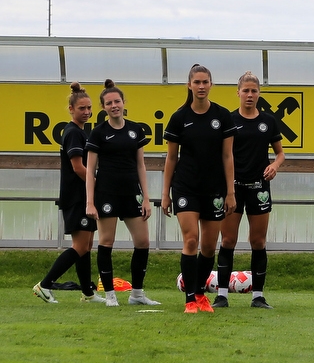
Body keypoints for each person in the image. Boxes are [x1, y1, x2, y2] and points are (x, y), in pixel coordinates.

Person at [161, 64, 237, 314]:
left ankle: (201, 294)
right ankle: (189, 300)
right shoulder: (179, 118)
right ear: (189, 85)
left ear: (211, 85)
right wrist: (165, 194)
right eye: (197, 82)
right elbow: (171, 158)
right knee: (191, 239)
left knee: (209, 246)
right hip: (185, 187)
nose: (201, 86)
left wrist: (230, 192)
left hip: (214, 189)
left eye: (205, 82)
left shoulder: (223, 116)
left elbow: (228, 156)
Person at [85, 79, 160, 307]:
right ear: (103, 107)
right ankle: (110, 295)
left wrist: (146, 198)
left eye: (117, 101)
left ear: (124, 103)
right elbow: (90, 170)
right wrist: (90, 202)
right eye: (109, 103)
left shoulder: (135, 130)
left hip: (132, 195)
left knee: (143, 242)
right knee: (106, 242)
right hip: (107, 194)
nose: (114, 105)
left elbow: (140, 165)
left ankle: (137, 294)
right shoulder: (98, 133)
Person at [214, 71, 285, 310]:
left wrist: (274, 166)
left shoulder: (268, 121)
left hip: (259, 188)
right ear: (238, 93)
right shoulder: (229, 120)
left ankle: (258, 296)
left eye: (254, 91)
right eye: (246, 90)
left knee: (258, 241)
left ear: (259, 94)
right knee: (228, 240)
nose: (250, 95)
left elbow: (280, 153)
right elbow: (222, 155)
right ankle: (222, 294)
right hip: (233, 189)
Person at [33, 83, 104, 304]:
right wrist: (97, 183)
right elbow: (78, 167)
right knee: (80, 246)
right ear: (71, 109)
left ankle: (88, 293)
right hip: (76, 196)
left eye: (89, 108)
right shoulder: (72, 132)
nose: (86, 112)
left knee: (87, 245)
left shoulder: (82, 132)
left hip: (84, 196)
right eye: (82, 108)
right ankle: (44, 285)